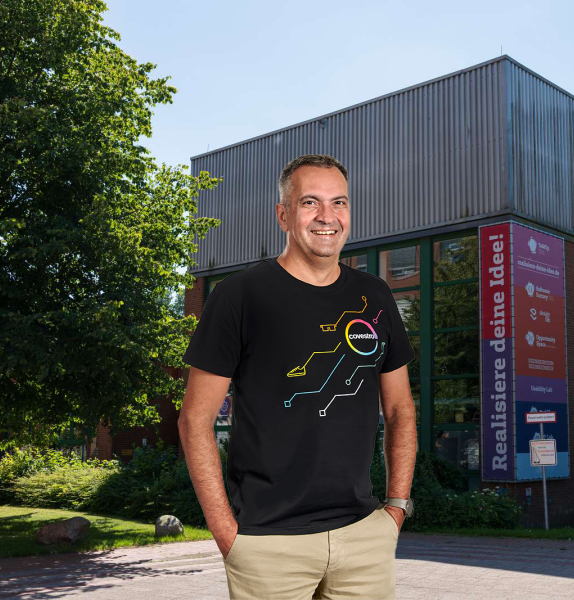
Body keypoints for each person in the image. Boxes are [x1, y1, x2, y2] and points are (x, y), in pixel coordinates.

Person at [179, 154, 417, 600]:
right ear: (283, 215)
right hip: (268, 546)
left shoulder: (376, 296)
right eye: (311, 202)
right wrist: (228, 536)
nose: (327, 217)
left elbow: (400, 409)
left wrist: (396, 509)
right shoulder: (238, 297)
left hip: (365, 536)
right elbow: (194, 420)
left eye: (339, 203)